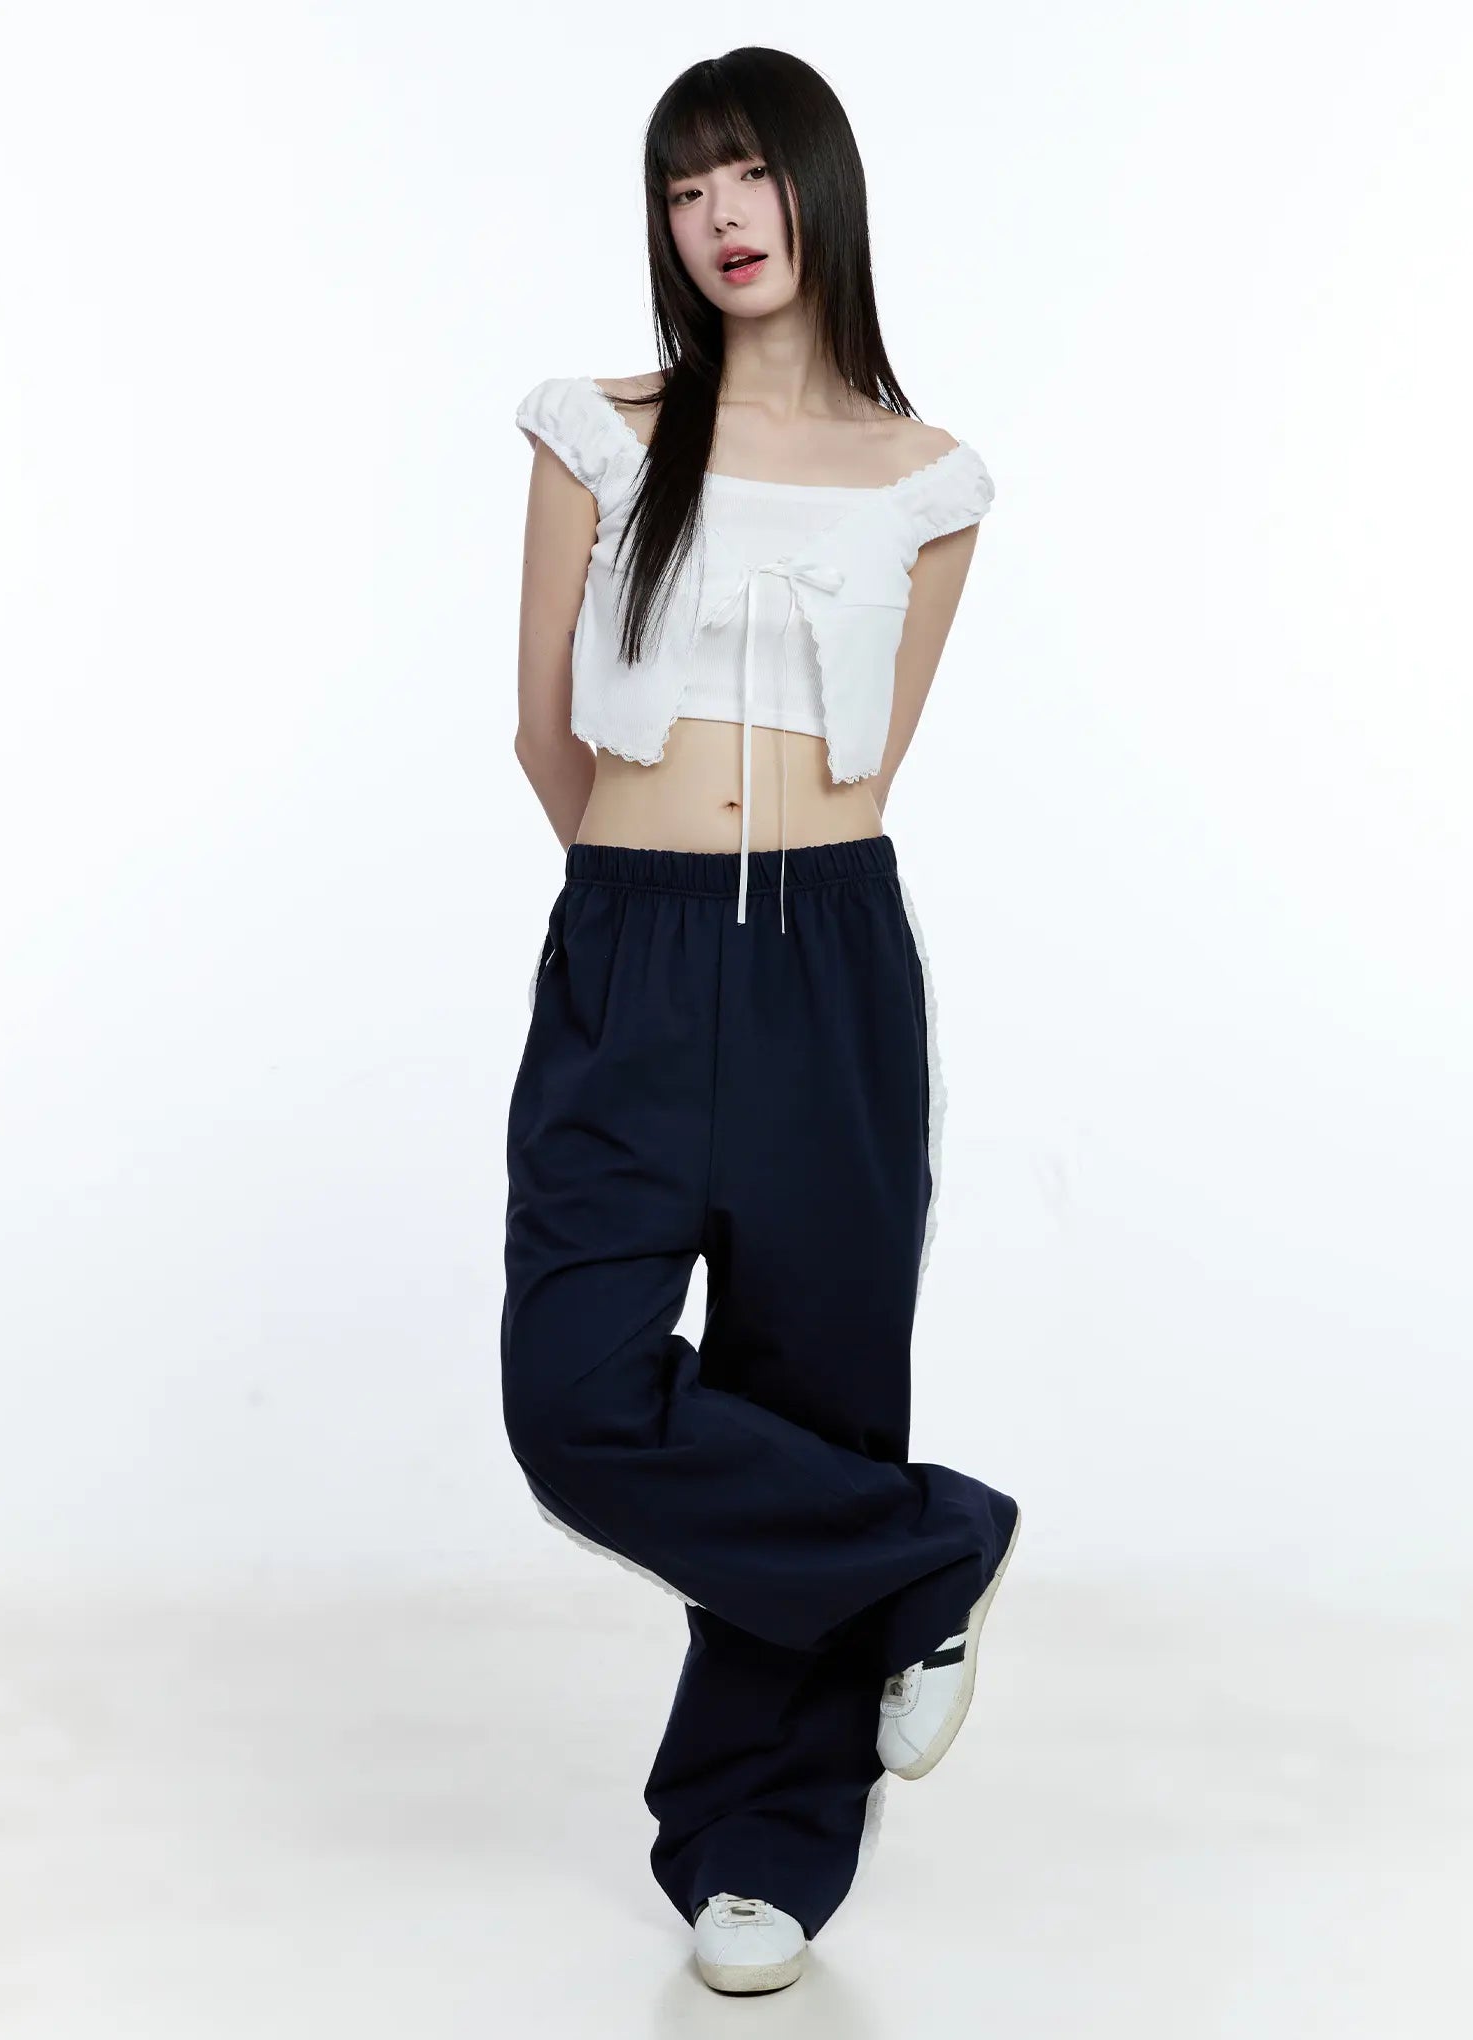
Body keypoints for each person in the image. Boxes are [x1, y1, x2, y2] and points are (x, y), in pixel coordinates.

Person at [501, 46, 1021, 1996]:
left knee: (816, 1392)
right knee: (574, 1397)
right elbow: (543, 732)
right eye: (682, 187)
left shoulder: (928, 482)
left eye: (748, 175)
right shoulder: (599, 433)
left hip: (830, 958)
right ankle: (927, 1553)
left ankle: (763, 1846)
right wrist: (644, 924)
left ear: (821, 188)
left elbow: (878, 758)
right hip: (629, 951)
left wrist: (768, 927)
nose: (719, 219)